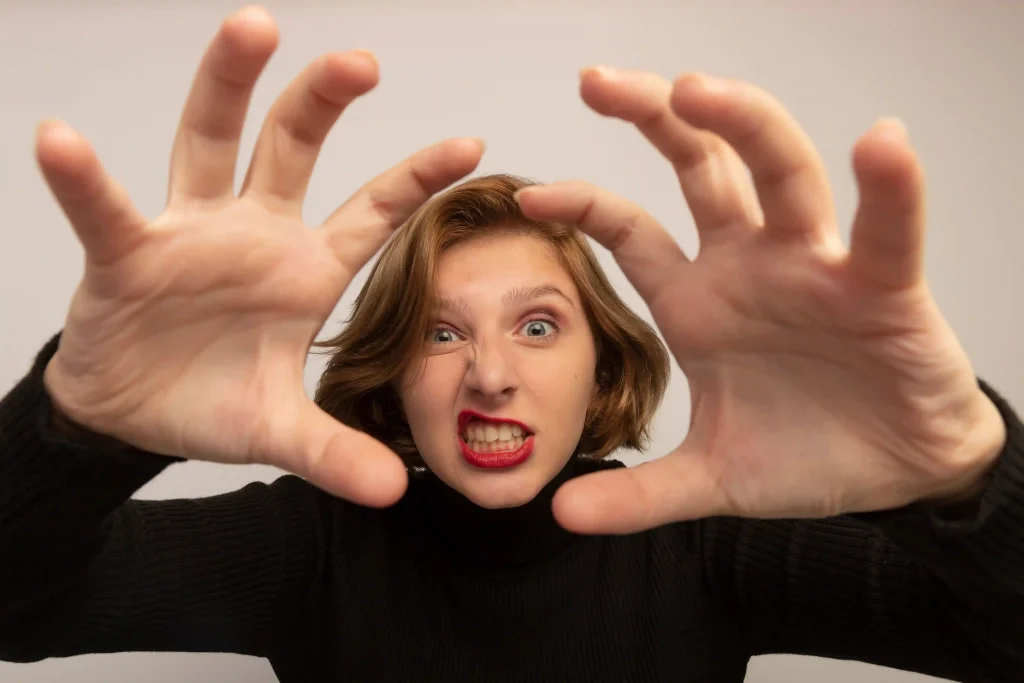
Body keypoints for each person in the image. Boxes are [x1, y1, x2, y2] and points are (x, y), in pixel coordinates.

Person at [1, 5, 1021, 682]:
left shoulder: (712, 549)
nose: (489, 373)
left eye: (539, 324)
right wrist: (79, 428)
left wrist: (962, 470)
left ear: (606, 366)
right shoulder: (306, 547)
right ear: (391, 374)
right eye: (440, 332)